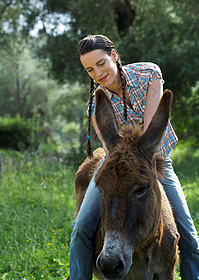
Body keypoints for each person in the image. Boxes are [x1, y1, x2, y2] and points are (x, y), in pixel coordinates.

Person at [68, 34, 199, 280]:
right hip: (116, 168)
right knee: (81, 229)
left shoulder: (148, 75)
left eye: (101, 63)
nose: (97, 73)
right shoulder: (97, 105)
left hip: (155, 162)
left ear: (114, 56)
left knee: (189, 236)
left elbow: (150, 133)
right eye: (89, 69)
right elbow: (111, 148)